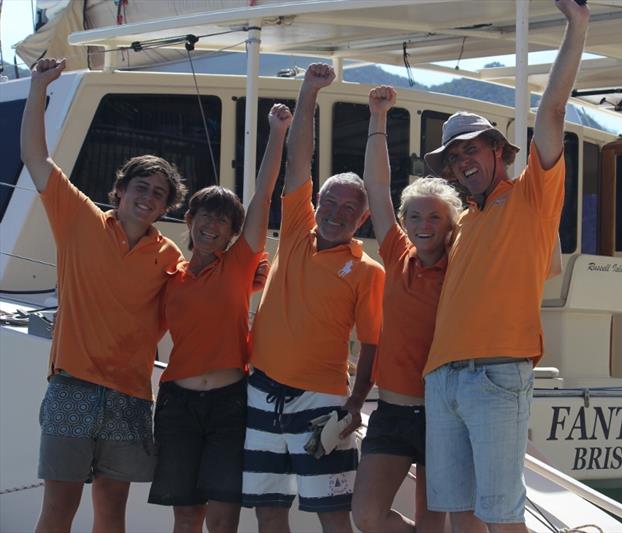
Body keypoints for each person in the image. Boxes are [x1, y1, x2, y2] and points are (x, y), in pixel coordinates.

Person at [421, 2, 590, 531]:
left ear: (499, 150)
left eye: (471, 149)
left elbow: (554, 112)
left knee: (501, 515)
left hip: (497, 374)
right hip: (442, 377)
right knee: (460, 513)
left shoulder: (532, 196)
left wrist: (576, 26)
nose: (462, 162)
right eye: (453, 156)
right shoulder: (466, 222)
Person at [21, 58, 186, 533]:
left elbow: (196, 298)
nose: (149, 198)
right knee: (58, 509)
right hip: (71, 386)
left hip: (132, 397)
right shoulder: (79, 220)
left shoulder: (168, 253)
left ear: (165, 206)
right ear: (119, 191)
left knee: (111, 511)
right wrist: (38, 88)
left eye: (159, 194)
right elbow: (36, 157)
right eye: (141, 187)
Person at [242, 63, 385, 533]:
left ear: (361, 220)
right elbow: (299, 159)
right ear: (314, 204)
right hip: (260, 392)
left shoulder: (367, 271)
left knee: (332, 516)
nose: (336, 214)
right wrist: (310, 91)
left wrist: (355, 404)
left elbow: (372, 344)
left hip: (321, 405)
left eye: (349, 209)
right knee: (269, 511)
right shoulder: (299, 229)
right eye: (329, 203)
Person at [147, 104, 292, 533]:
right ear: (189, 220)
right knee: (187, 516)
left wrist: (277, 131)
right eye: (205, 215)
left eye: (223, 220)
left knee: (224, 518)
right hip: (177, 404)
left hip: (231, 403)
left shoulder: (239, 264)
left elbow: (264, 194)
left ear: (233, 233)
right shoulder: (167, 278)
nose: (213, 224)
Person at [351, 86, 462, 533]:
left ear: (452, 224)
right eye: (414, 216)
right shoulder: (397, 252)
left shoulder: (462, 267)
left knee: (435, 523)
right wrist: (378, 117)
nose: (422, 225)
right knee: (367, 515)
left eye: (434, 217)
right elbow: (376, 187)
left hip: (444, 413)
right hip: (394, 411)